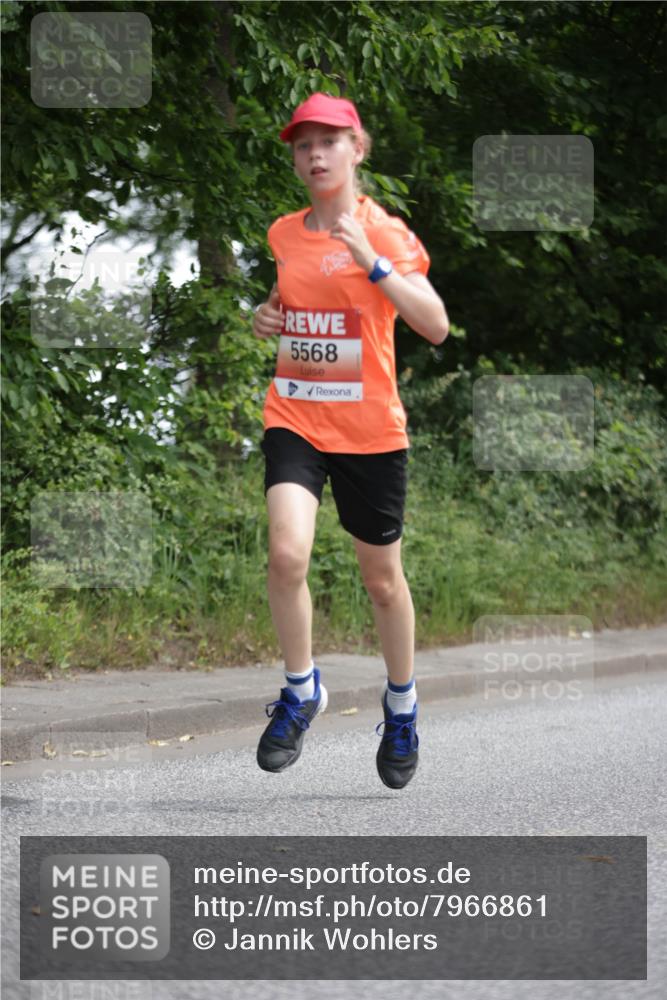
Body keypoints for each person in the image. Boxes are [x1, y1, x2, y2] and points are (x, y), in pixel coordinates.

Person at [252, 93, 449, 790]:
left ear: (356, 149)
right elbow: (294, 308)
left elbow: (435, 325)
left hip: (369, 431)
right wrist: (267, 318)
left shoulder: (385, 233)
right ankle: (301, 690)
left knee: (382, 581)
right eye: (302, 144)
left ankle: (400, 707)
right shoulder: (283, 233)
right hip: (297, 415)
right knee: (285, 554)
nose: (313, 155)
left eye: (327, 142)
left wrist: (372, 262)